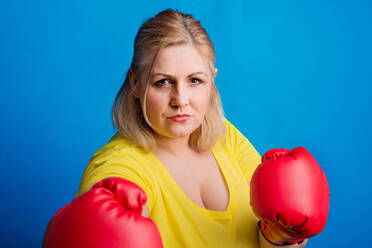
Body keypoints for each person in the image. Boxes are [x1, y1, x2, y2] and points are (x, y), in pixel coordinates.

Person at [43, 8, 329, 248]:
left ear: (212, 79)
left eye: (195, 81)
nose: (181, 100)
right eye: (163, 82)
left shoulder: (225, 137)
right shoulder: (120, 168)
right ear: (135, 83)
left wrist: (284, 234)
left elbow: (264, 236)